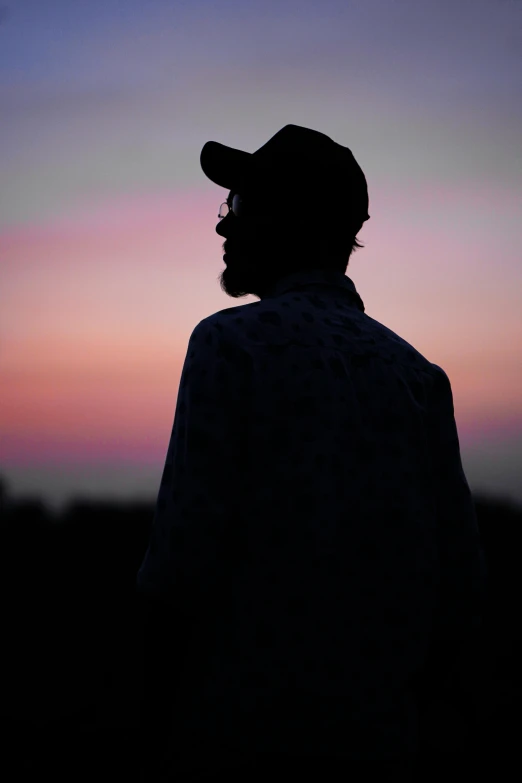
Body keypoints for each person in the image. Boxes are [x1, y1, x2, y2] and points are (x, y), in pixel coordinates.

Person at [134, 124, 489, 782]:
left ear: (291, 221)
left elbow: (179, 573)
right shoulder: (419, 377)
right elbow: (461, 592)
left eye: (239, 205)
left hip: (239, 752)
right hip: (383, 755)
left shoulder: (229, 345)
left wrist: (149, 742)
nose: (222, 227)